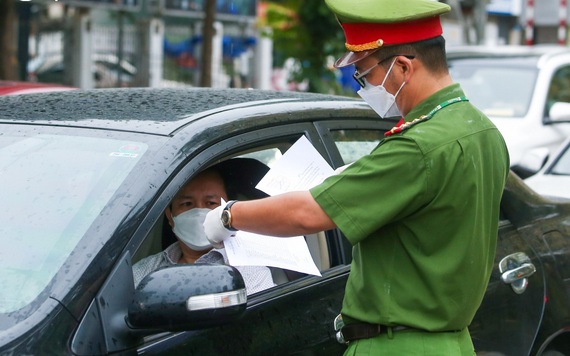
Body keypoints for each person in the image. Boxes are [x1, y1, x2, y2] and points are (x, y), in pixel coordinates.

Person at [203, 0, 510, 354]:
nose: (363, 87)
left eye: (365, 75)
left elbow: (308, 214)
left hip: (396, 345)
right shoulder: (481, 130)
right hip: (452, 342)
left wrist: (229, 215)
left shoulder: (417, 147)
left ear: (403, 68)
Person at [132, 164, 275, 295]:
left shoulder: (248, 271)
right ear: (170, 216)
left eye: (210, 203)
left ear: (227, 210)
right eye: (187, 204)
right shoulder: (144, 272)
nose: (199, 211)